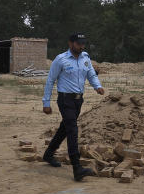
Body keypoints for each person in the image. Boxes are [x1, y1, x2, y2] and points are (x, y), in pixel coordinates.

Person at [42, 33, 105, 181]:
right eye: (78, 44)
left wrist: (98, 86)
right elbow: (50, 80)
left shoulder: (85, 58)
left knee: (65, 128)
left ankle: (48, 154)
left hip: (78, 100)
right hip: (65, 99)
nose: (81, 46)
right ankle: (77, 168)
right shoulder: (61, 59)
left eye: (83, 44)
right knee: (72, 130)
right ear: (71, 43)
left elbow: (91, 74)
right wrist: (46, 103)